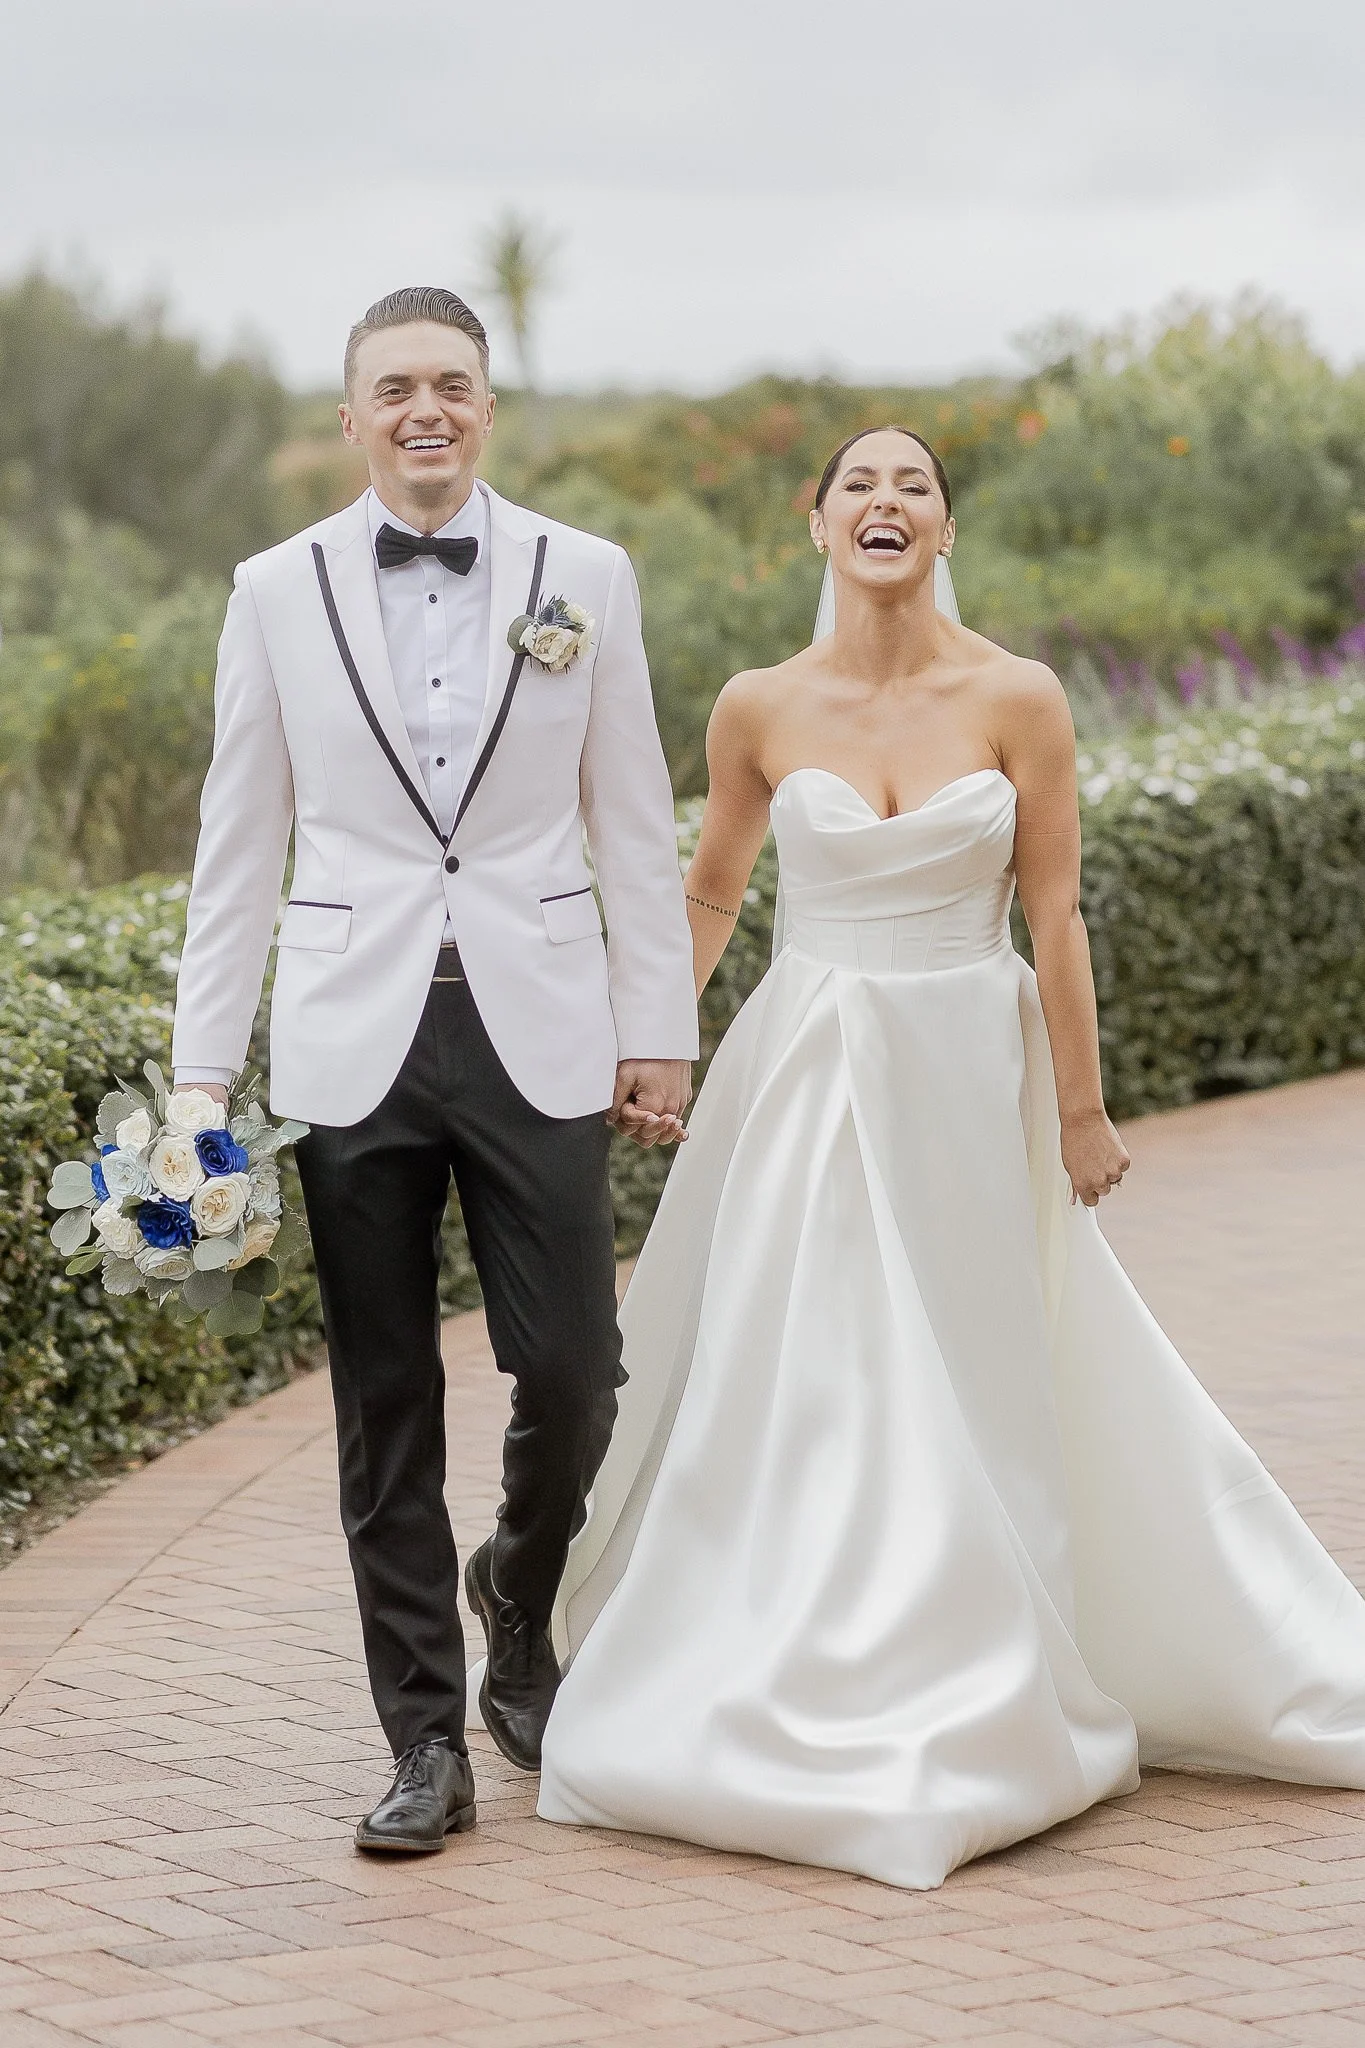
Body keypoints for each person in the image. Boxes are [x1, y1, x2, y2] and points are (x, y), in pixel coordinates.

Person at [536, 426, 1365, 1891]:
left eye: (913, 483)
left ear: (944, 527)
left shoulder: (1019, 695)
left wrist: (1081, 1108)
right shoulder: (757, 705)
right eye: (858, 482)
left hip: (970, 1072)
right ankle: (819, 1650)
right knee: (818, 1357)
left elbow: (1054, 916)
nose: (885, 500)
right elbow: (714, 891)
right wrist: (647, 1041)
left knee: (976, 1355)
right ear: (817, 528)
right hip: (809, 1065)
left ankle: (1009, 1647)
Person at [169, 286, 696, 1854]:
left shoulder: (583, 575)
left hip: (537, 1018)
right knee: (385, 1403)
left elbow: (632, 817)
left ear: (487, 405)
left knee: (578, 1371)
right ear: (351, 417)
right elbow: (237, 842)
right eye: (394, 386)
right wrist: (203, 1079)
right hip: (350, 1039)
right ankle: (423, 1741)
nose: (425, 410)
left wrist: (655, 1023)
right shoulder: (273, 589)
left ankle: (518, 1590)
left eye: (451, 385)